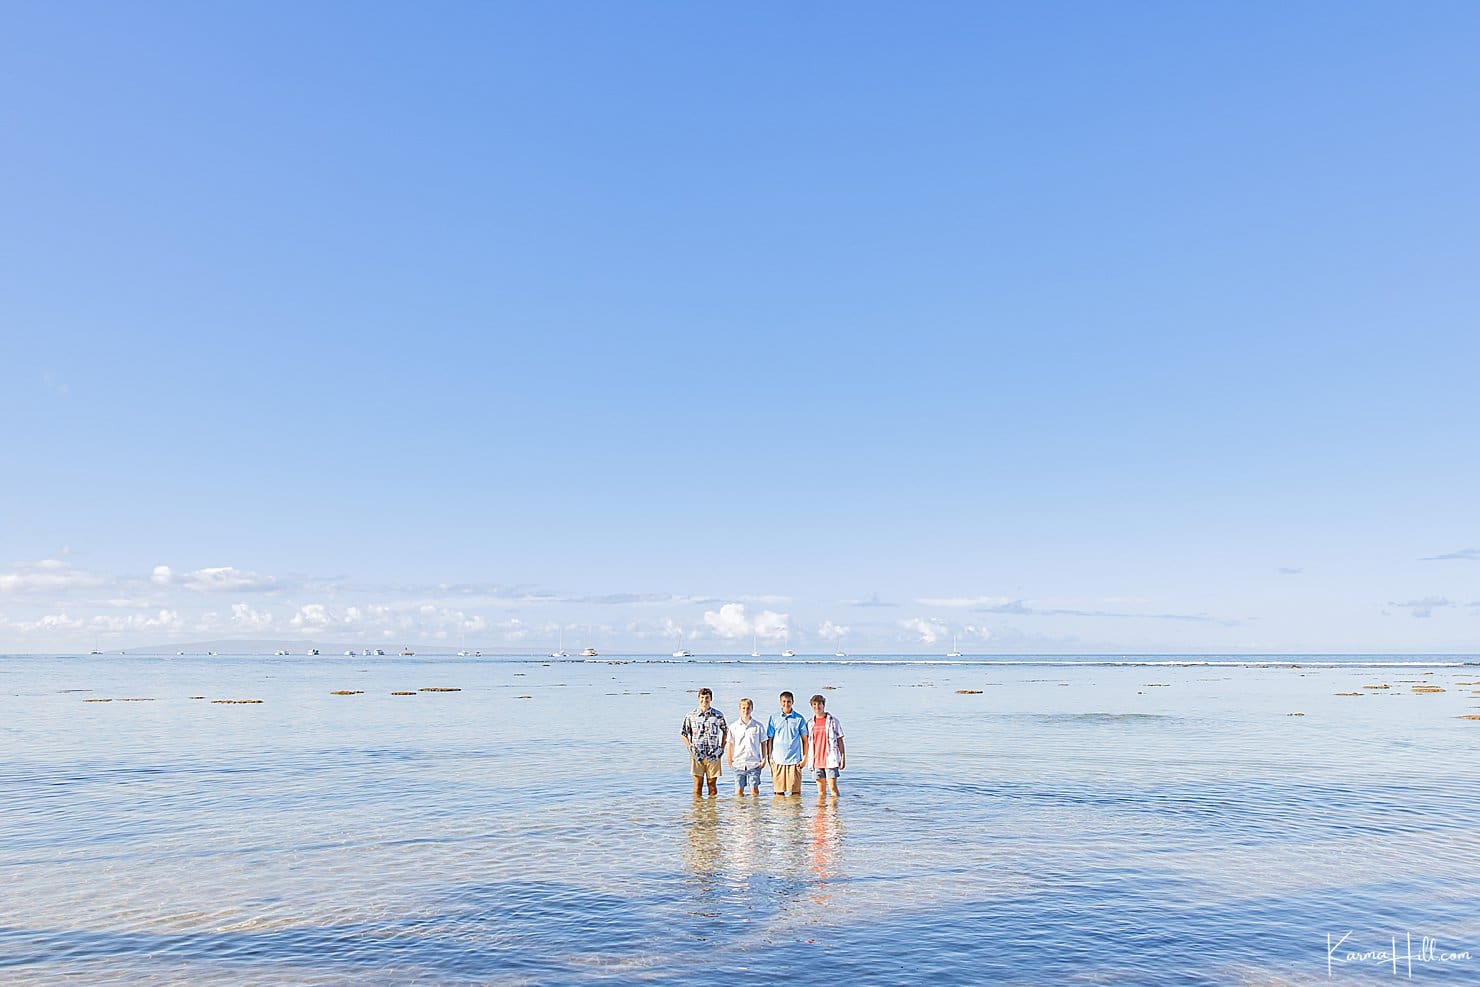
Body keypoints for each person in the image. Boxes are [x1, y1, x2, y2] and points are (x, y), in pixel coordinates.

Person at [680, 687, 728, 796]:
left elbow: (726, 732)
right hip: (697, 754)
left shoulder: (718, 715)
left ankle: (712, 811)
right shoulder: (691, 716)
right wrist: (690, 747)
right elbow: (683, 734)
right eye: (702, 698)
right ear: (698, 699)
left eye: (707, 698)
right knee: (698, 784)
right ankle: (698, 811)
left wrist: (721, 748)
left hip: (714, 754)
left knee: (712, 784)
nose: (704, 700)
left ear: (711, 699)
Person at [765, 691, 809, 797]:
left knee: (795, 793)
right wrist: (769, 757)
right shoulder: (774, 718)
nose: (786, 704)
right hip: (778, 760)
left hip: (794, 761)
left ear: (793, 702)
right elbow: (769, 739)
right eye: (784, 701)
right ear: (780, 702)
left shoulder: (799, 718)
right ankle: (780, 814)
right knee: (778, 793)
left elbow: (805, 740)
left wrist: (805, 758)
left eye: (788, 701)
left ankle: (795, 813)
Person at [727, 698, 766, 795]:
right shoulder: (734, 726)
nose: (746, 711)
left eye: (748, 708)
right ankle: (741, 810)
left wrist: (764, 759)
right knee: (739, 791)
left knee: (754, 791)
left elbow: (763, 743)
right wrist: (729, 760)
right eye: (743, 708)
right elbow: (730, 744)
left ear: (752, 709)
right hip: (738, 763)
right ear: (739, 709)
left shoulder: (758, 726)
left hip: (754, 763)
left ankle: (755, 810)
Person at [808, 694, 845, 797]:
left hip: (830, 760)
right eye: (814, 704)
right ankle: (821, 812)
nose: (817, 707)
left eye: (819, 704)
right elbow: (807, 742)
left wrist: (842, 758)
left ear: (823, 705)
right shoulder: (810, 723)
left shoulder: (833, 721)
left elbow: (840, 740)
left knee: (833, 789)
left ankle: (834, 812)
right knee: (821, 792)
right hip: (816, 761)